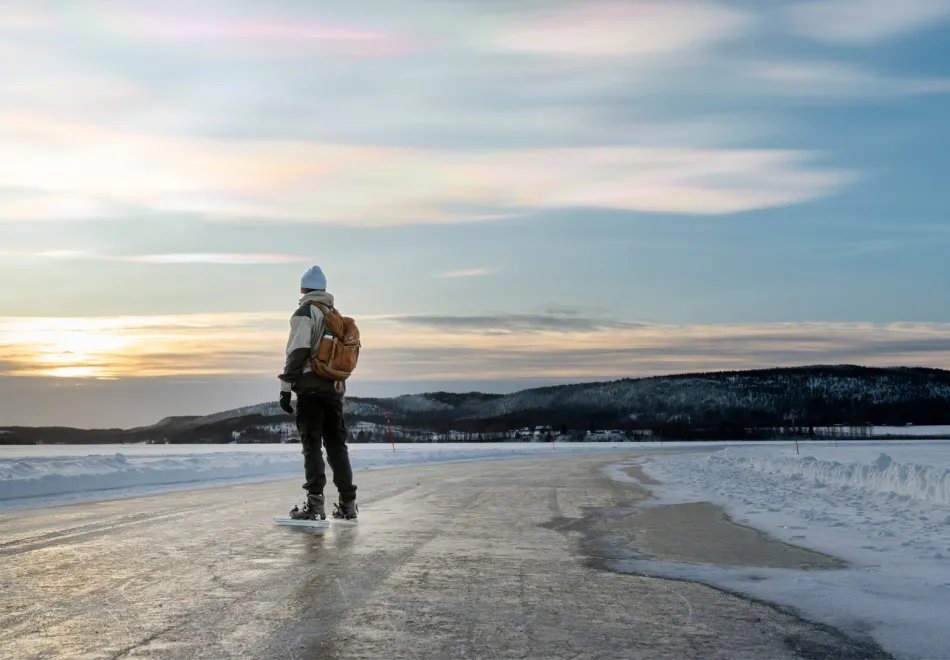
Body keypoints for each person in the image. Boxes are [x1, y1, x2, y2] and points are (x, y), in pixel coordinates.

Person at [279, 265, 358, 520]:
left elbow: (297, 352)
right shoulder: (333, 314)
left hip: (310, 389)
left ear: (303, 289)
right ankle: (348, 505)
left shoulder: (305, 312)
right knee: (337, 446)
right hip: (334, 389)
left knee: (312, 446)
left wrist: (285, 387)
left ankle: (314, 506)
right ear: (324, 289)